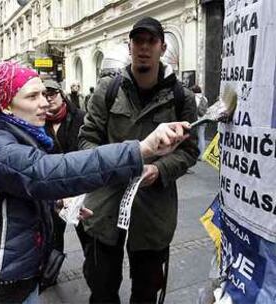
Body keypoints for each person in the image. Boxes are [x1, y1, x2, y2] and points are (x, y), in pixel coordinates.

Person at [0, 61, 191, 303]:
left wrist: (55, 203)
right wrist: (140, 149)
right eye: (32, 96)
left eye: (44, 94)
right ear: (6, 106)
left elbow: (18, 192)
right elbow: (43, 173)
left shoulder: (24, 137)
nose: (43, 102)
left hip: (22, 277)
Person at [78, 16, 199, 303]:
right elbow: (86, 140)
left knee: (146, 292)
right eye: (138, 41)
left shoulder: (180, 98)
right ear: (129, 46)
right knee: (102, 288)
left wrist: (159, 170)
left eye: (151, 41)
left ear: (162, 47)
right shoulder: (106, 91)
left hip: (153, 214)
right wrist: (115, 163)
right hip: (105, 207)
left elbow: (190, 150)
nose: (144, 47)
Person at [43, 79, 85, 255]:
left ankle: (93, 270)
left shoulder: (79, 117)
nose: (49, 99)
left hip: (79, 187)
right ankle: (51, 271)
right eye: (44, 95)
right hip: (53, 188)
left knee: (87, 233)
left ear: (62, 95)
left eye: (52, 94)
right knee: (53, 236)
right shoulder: (39, 122)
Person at [191, 85, 208, 158]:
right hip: (203, 119)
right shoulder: (205, 98)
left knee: (194, 136)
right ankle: (202, 155)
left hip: (196, 120)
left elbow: (193, 109)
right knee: (202, 136)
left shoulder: (194, 97)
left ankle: (195, 154)